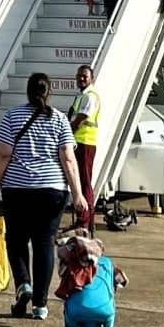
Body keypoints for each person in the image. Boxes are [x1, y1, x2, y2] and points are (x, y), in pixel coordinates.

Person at [0, 72, 87, 320]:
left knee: (16, 241)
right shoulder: (60, 119)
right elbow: (68, 159)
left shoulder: (12, 116)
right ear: (48, 93)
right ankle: (40, 304)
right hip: (51, 191)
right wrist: (78, 194)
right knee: (43, 244)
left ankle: (23, 285)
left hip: (17, 189)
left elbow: (4, 154)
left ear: (27, 92)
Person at [69, 64, 101, 221]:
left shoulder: (90, 96)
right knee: (79, 182)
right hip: (79, 143)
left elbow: (81, 118)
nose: (81, 78)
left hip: (85, 143)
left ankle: (85, 221)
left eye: (85, 76)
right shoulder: (81, 95)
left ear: (91, 79)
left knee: (84, 182)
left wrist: (68, 131)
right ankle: (83, 219)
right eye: (79, 76)